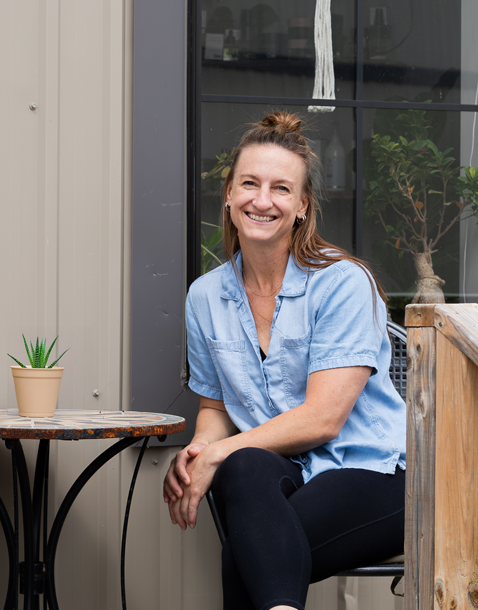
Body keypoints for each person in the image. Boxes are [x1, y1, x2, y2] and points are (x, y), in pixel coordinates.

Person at [163, 112, 406, 610]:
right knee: (245, 466)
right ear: (229, 194)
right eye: (249, 183)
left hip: (379, 473)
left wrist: (218, 453)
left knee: (247, 553)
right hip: (284, 476)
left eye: (280, 188)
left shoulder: (342, 282)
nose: (262, 200)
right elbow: (214, 408)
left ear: (301, 206)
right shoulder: (205, 297)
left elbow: (324, 418)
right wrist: (198, 453)